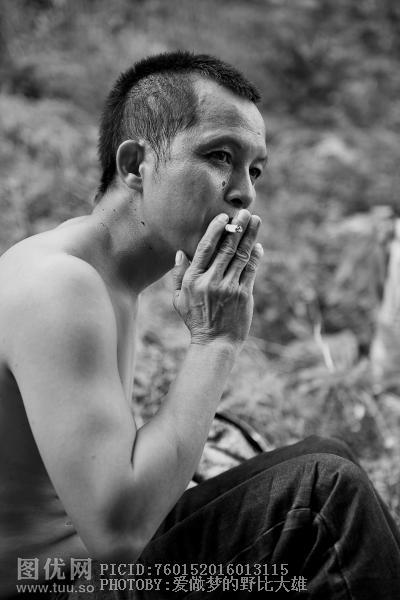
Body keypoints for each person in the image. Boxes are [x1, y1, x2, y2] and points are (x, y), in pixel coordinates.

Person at [0, 51, 399, 600]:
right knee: (324, 496)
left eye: (254, 170)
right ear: (135, 165)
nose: (244, 192)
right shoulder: (59, 284)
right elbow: (118, 535)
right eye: (220, 156)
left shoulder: (107, 276)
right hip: (52, 583)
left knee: (328, 457)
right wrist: (216, 341)